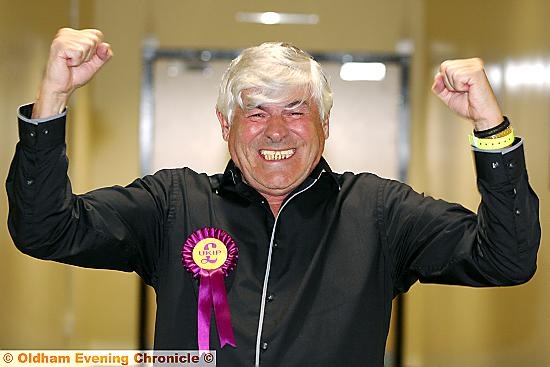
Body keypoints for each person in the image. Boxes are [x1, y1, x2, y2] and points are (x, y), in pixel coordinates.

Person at [7, 28, 540, 367]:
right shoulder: (172, 202)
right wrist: (53, 99)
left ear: (325, 124)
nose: (276, 131)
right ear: (225, 124)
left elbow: (507, 258)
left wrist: (490, 129)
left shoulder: (381, 211)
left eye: (295, 110)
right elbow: (45, 229)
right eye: (256, 111)